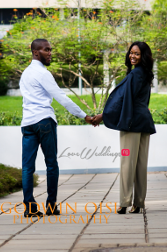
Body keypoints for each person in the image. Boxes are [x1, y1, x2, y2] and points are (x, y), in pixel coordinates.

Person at [20, 38, 94, 217]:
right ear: (36, 52)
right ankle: (51, 206)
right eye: (46, 50)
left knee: (27, 167)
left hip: (28, 123)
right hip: (44, 121)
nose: (50, 53)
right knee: (51, 164)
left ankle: (29, 207)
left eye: (50, 49)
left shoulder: (25, 73)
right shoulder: (43, 73)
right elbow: (61, 97)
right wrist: (84, 116)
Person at [91, 41, 156, 214]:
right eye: (131, 53)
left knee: (127, 162)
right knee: (141, 164)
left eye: (137, 54)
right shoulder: (146, 74)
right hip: (144, 123)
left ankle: (125, 202)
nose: (132, 56)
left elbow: (122, 100)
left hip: (131, 124)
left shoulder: (135, 75)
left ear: (143, 57)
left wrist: (102, 116)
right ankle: (139, 203)